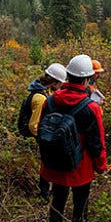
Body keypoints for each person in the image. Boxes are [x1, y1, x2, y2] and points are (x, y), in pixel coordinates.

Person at [39, 54, 107, 222]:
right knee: (81, 199)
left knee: (58, 197)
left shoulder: (50, 101)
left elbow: (41, 130)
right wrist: (101, 166)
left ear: (67, 75)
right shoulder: (92, 108)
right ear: (86, 80)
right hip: (81, 166)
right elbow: (97, 143)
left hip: (55, 162)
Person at [24, 62, 67, 199]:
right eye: (60, 83)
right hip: (38, 138)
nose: (61, 86)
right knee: (47, 163)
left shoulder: (42, 91)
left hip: (40, 136)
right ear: (54, 82)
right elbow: (33, 125)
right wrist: (44, 140)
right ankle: (44, 193)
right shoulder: (40, 97)